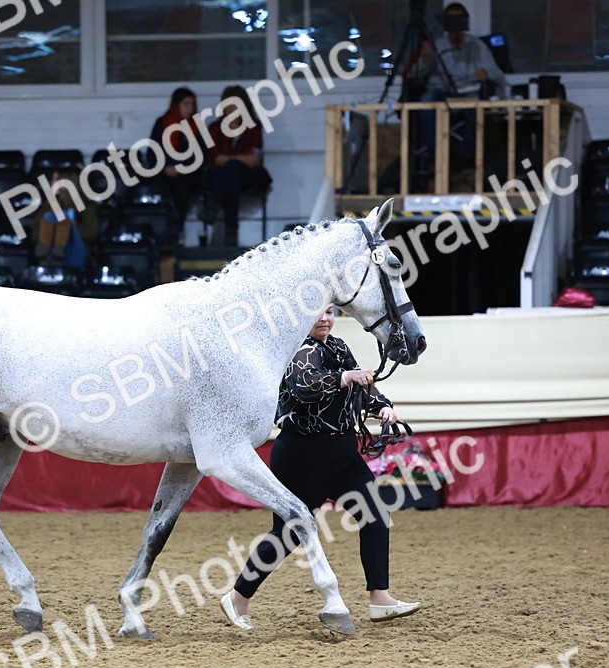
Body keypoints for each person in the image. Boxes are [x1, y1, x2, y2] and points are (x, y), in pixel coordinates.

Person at [220, 306, 420, 631]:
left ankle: (379, 597)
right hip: (302, 457)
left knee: (374, 514)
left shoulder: (338, 346)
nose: (325, 318)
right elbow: (305, 386)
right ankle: (238, 597)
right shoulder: (295, 349)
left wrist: (382, 407)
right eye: (317, 313)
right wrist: (346, 378)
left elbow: (361, 387)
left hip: (341, 454)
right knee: (287, 535)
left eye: (329, 311)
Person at [410, 3, 506, 182]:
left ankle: (467, 157)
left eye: (459, 21)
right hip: (440, 92)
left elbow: (499, 76)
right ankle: (435, 156)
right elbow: (416, 75)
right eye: (451, 21)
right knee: (426, 100)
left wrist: (487, 75)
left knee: (474, 103)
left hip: (468, 91)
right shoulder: (436, 45)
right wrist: (425, 58)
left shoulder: (476, 46)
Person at [205, 85, 272, 248]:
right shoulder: (214, 128)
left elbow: (254, 160)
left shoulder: (253, 126)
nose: (231, 109)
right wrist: (240, 158)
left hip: (249, 176)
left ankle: (214, 205)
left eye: (235, 105)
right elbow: (215, 158)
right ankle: (231, 231)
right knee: (231, 177)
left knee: (232, 169)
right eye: (228, 105)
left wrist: (231, 159)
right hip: (224, 177)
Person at [149, 87, 205, 231]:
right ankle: (163, 231)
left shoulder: (196, 126)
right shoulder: (162, 123)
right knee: (161, 188)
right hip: (163, 172)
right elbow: (153, 151)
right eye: (186, 104)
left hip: (188, 174)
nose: (190, 108)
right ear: (176, 104)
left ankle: (177, 230)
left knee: (181, 189)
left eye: (192, 104)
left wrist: (180, 168)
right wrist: (165, 167)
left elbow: (201, 154)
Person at [32, 169, 97, 269]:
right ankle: (48, 256)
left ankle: (57, 253)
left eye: (56, 179)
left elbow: (91, 232)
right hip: (49, 247)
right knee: (48, 217)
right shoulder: (49, 204)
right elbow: (35, 233)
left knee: (62, 221)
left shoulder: (85, 204)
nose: (52, 183)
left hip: (74, 248)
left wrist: (69, 228)